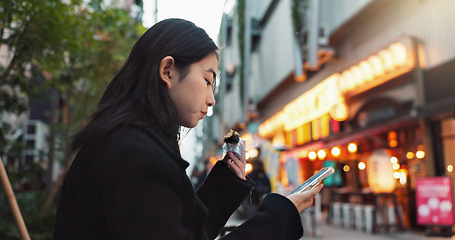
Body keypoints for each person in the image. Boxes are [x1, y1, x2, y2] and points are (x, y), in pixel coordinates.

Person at [53, 18, 323, 240]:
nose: (212, 99)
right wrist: (280, 215)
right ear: (168, 71)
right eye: (207, 81)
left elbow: (181, 230)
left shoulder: (130, 142)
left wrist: (225, 184)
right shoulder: (135, 155)